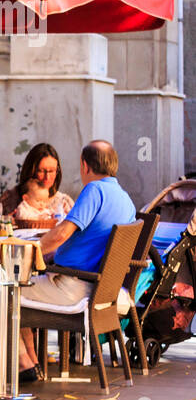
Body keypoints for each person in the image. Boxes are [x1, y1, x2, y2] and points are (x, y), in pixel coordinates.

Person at [17, 141, 137, 379]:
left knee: (2, 292)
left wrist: (34, 250)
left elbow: (62, 233)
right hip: (104, 290)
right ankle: (30, 362)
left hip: (75, 289)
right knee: (14, 287)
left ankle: (23, 364)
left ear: (84, 165)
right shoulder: (125, 199)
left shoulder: (94, 191)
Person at [0, 143, 75, 222]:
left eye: (52, 171)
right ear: (30, 171)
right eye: (41, 171)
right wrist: (5, 221)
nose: (47, 177)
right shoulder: (9, 199)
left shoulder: (64, 202)